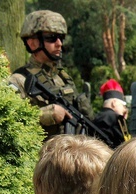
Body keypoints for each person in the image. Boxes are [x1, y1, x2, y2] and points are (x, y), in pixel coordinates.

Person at [8, 10, 93, 138]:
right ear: (32, 43)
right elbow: (8, 121)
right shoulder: (19, 80)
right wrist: (44, 115)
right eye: (51, 38)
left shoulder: (63, 78)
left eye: (61, 38)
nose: (59, 43)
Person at [92, 79, 130, 148]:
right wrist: (124, 120)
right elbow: (126, 145)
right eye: (123, 105)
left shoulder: (95, 118)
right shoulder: (117, 118)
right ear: (114, 103)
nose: (124, 109)